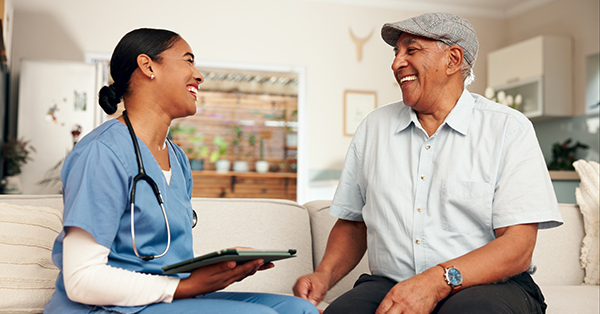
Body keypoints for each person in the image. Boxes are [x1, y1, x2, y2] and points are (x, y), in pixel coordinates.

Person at [293, 12, 563, 314]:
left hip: (489, 285)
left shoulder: (508, 129)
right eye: (396, 53)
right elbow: (354, 223)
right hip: (392, 282)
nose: (396, 63)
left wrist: (435, 282)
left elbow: (518, 247)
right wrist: (323, 275)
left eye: (411, 50)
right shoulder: (373, 128)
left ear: (453, 59)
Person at [44, 28, 319, 314]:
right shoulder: (102, 152)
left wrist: (216, 270)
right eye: (188, 61)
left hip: (166, 298)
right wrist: (186, 286)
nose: (199, 75)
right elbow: (81, 280)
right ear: (148, 66)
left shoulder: (177, 158)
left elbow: (159, 258)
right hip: (107, 308)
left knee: (299, 310)